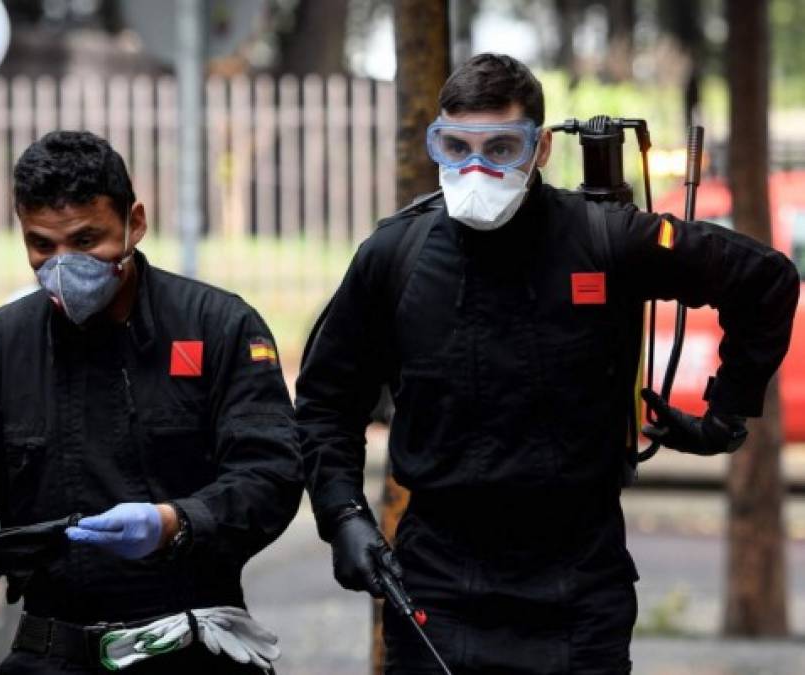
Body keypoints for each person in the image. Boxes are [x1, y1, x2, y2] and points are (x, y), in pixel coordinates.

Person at [295, 53, 800, 674]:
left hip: (577, 590)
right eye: (454, 146)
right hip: (440, 585)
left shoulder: (606, 239)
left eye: (501, 147)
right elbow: (325, 401)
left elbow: (766, 280)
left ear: (540, 151)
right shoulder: (395, 255)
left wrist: (725, 414)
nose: (475, 168)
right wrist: (342, 513)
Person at [0, 130, 303, 674]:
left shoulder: (219, 328)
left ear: (134, 223)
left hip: (191, 646)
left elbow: (270, 474)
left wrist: (173, 522)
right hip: (51, 649)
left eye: (87, 240)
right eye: (42, 246)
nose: (63, 265)